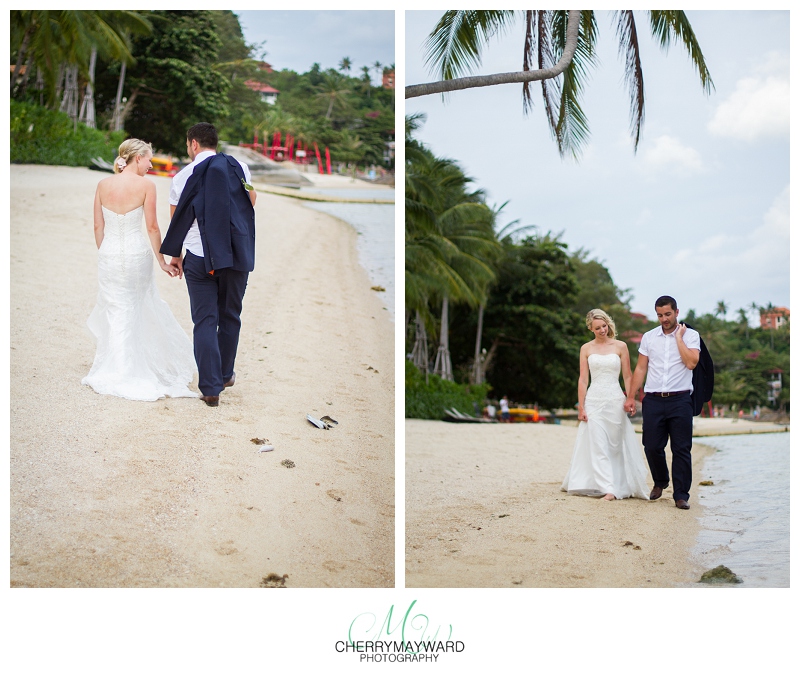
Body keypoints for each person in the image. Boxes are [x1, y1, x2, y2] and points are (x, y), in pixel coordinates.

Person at [82, 138, 197, 401]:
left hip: (109, 255)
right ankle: (128, 368)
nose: (150, 163)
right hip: (136, 256)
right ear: (137, 158)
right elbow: (153, 228)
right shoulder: (147, 185)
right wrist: (163, 262)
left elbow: (98, 227)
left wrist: (106, 252)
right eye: (149, 158)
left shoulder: (103, 184)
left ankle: (119, 365)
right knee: (135, 307)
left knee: (116, 308)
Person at [161, 123, 257, 407]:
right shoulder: (239, 167)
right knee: (230, 316)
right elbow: (250, 201)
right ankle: (225, 374)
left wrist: (175, 256)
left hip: (198, 256)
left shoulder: (182, 176)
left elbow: (176, 219)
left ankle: (211, 387)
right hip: (235, 255)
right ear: (215, 142)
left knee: (204, 320)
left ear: (193, 144)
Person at [562, 309, 649, 500]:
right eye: (597, 328)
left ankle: (616, 484)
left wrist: (630, 398)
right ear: (590, 329)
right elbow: (583, 380)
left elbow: (627, 375)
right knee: (598, 445)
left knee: (614, 446)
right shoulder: (586, 348)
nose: (602, 330)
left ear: (608, 324)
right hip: (594, 401)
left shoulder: (621, 346)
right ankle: (608, 488)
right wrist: (581, 407)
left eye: (604, 326)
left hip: (615, 401)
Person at [624, 296, 700, 509]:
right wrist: (631, 396)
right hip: (654, 399)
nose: (664, 319)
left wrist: (678, 339)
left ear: (677, 312)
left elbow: (691, 362)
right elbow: (641, 368)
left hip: (681, 399)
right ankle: (660, 481)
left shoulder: (691, 336)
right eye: (660, 315)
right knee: (651, 445)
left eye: (668, 314)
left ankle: (681, 495)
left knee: (681, 448)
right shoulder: (649, 337)